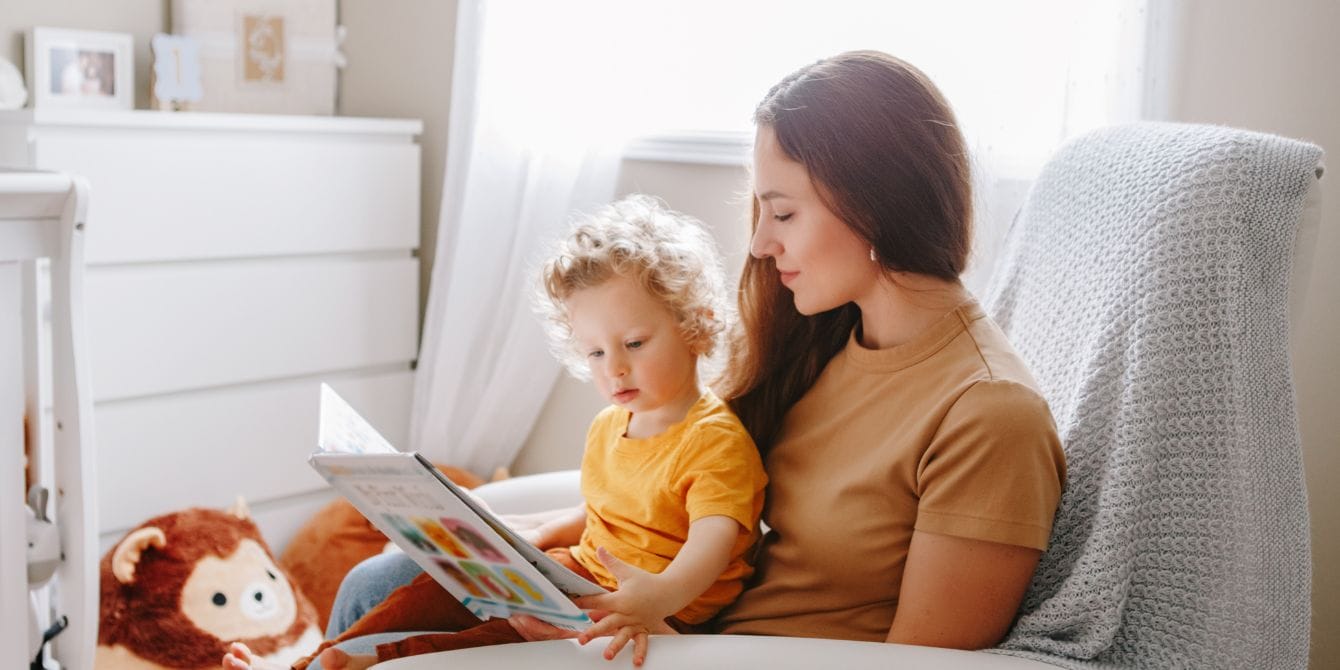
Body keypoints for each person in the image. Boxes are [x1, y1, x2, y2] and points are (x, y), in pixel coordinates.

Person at [246, 48, 1068, 664]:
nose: (758, 242)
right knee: (376, 580)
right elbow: (687, 479)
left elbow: (921, 668)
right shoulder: (831, 337)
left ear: (871, 199)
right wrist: (536, 546)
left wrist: (625, 628)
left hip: (702, 654)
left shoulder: (987, 417)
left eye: (781, 212)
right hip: (667, 629)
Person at [224, 196, 767, 670]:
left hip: (650, 614)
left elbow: (711, 545)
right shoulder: (611, 425)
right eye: (596, 352)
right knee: (426, 590)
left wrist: (656, 598)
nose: (614, 369)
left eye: (635, 343)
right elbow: (606, 508)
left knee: (498, 639)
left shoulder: (715, 442)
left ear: (694, 324)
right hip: (579, 580)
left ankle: (364, 663)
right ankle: (314, 661)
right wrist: (526, 538)